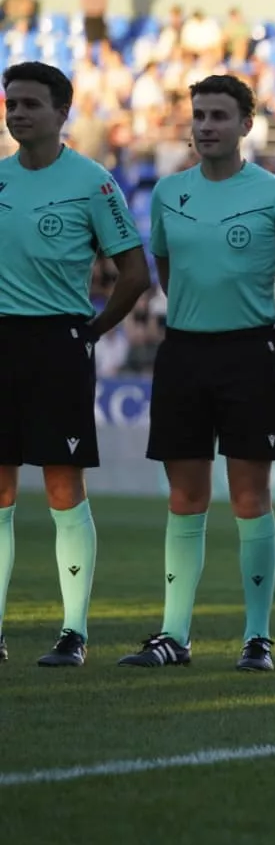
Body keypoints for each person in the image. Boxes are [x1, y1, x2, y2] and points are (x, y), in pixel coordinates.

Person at [116, 75, 275, 673]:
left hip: (250, 355)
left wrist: (274, 337)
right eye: (199, 115)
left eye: (219, 116)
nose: (205, 126)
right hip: (183, 353)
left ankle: (258, 639)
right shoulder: (170, 191)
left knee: (251, 497)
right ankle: (174, 635)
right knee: (185, 497)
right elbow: (168, 271)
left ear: (246, 125)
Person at [0, 61, 150, 667]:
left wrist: (90, 332)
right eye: (11, 103)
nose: (17, 113)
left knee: (64, 486)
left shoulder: (93, 182)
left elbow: (134, 273)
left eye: (30, 104)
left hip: (58, 342)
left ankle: (73, 633)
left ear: (62, 113)